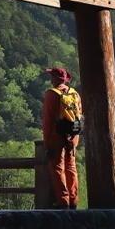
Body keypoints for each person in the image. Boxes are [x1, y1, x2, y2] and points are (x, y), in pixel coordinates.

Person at [41, 66, 82, 209]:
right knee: (71, 167)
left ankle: (62, 201)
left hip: (56, 136)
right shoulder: (75, 94)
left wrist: (47, 141)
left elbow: (47, 120)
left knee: (57, 167)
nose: (50, 79)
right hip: (73, 135)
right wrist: (75, 137)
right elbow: (79, 117)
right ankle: (74, 200)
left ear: (55, 79)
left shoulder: (52, 94)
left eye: (51, 76)